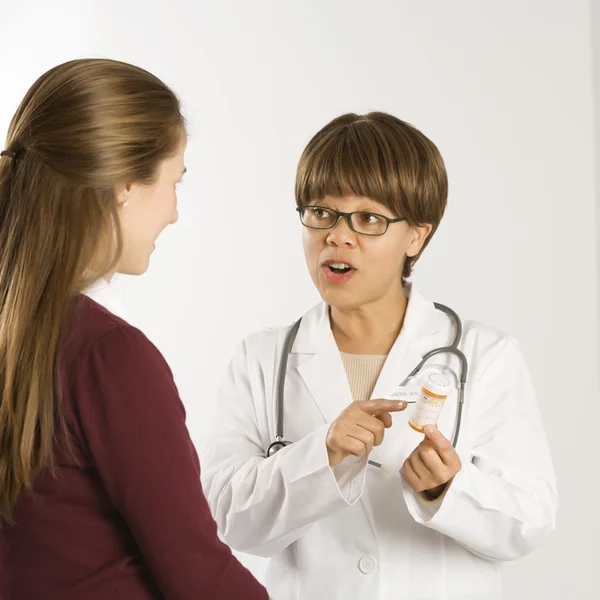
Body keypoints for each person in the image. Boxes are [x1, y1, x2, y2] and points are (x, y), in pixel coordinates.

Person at [200, 112, 558, 600]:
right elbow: (229, 519)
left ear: (416, 236)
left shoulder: (486, 356)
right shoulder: (261, 359)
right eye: (321, 212)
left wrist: (449, 490)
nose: (337, 235)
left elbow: (530, 520)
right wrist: (319, 455)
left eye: (369, 218)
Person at [0, 58, 268, 600]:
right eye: (175, 182)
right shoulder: (107, 355)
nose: (172, 212)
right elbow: (198, 576)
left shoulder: (23, 331)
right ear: (125, 186)